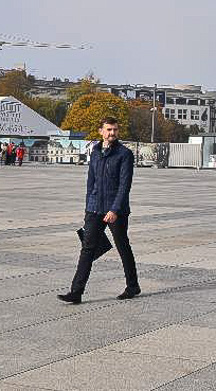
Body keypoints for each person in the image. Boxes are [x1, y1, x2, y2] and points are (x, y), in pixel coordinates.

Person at [58, 117, 140, 304]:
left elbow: (124, 186)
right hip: (94, 209)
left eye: (115, 130)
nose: (112, 133)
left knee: (123, 247)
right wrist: (88, 206)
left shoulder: (124, 154)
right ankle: (76, 292)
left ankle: (132, 285)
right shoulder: (95, 152)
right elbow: (91, 182)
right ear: (101, 131)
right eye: (109, 129)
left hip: (115, 211)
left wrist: (115, 209)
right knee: (87, 249)